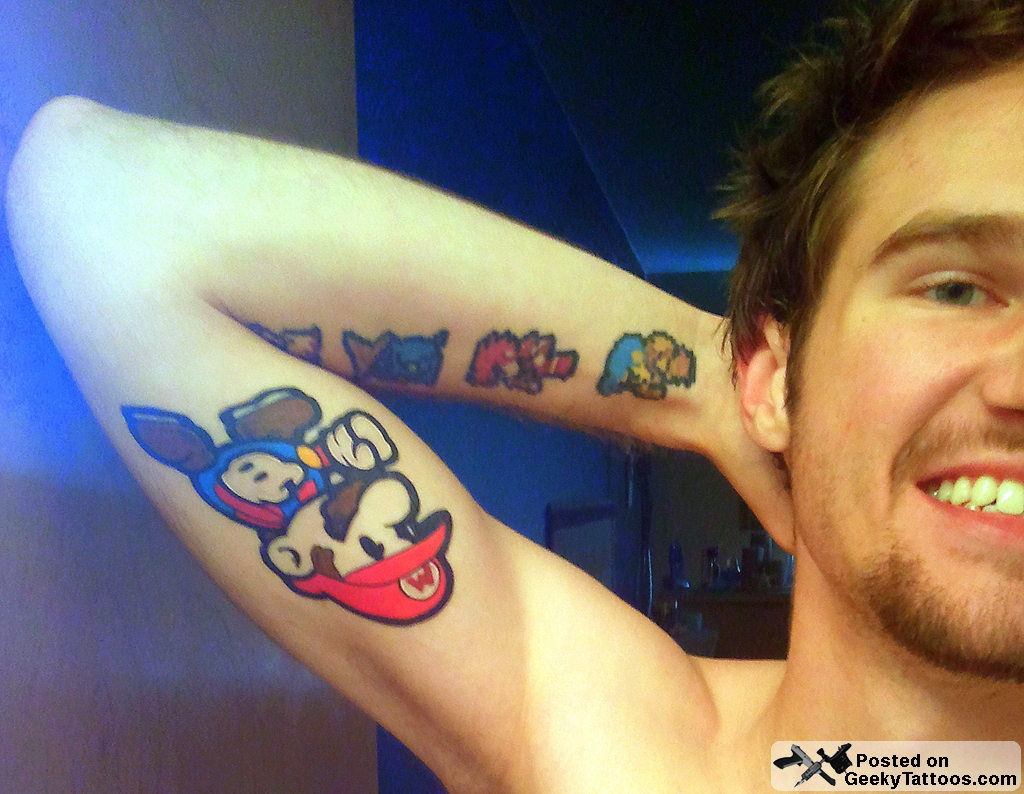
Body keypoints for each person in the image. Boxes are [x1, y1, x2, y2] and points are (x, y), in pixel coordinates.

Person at [6, 0, 1024, 790]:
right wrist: (703, 376)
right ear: (773, 375)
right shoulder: (621, 754)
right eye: (955, 288)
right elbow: (100, 206)